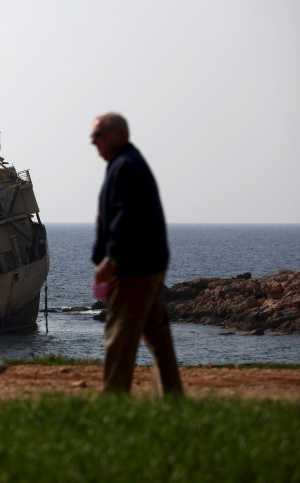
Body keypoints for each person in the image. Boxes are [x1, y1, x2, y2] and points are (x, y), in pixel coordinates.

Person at [90, 112, 183, 397]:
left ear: (119, 134)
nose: (93, 143)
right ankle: (173, 397)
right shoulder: (125, 164)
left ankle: (113, 401)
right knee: (158, 337)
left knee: (118, 335)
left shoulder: (125, 166)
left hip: (133, 268)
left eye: (98, 136)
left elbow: (126, 217)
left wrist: (112, 259)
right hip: (149, 264)